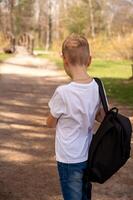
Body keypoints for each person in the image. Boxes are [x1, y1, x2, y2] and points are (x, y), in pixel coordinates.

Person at [46, 34, 106, 200]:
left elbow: (50, 123)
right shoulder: (97, 86)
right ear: (90, 60)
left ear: (64, 60)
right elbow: (100, 117)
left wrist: (53, 116)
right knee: (85, 195)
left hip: (68, 158)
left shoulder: (63, 92)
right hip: (89, 153)